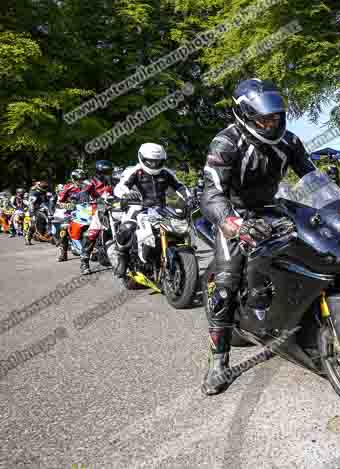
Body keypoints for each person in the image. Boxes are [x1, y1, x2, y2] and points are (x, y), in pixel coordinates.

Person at [200, 78, 316, 396]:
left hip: (272, 207)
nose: (271, 122)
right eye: (265, 118)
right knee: (224, 286)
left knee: (313, 249)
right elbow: (211, 193)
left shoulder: (290, 141)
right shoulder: (226, 143)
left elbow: (313, 177)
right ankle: (218, 363)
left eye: (276, 116)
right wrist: (231, 223)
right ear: (245, 115)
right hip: (234, 213)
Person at [112, 143, 192, 279]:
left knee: (180, 227)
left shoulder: (166, 172)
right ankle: (122, 257)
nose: (154, 164)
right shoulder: (135, 171)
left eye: (157, 161)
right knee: (127, 227)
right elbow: (120, 187)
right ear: (142, 158)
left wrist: (190, 198)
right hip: (138, 207)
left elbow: (180, 187)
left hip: (161, 209)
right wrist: (126, 194)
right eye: (150, 161)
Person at [77, 160, 115, 274]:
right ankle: (84, 262)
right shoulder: (90, 182)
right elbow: (83, 192)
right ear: (99, 172)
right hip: (100, 210)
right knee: (92, 233)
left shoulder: (114, 181)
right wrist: (85, 198)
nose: (108, 174)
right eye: (105, 172)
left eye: (109, 171)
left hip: (116, 208)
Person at [25, 181, 49, 245]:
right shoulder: (34, 193)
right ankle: (28, 238)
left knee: (46, 221)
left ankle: (44, 234)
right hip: (34, 210)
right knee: (33, 224)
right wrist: (32, 214)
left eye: (46, 188)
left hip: (42, 209)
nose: (45, 189)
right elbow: (31, 204)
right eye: (44, 187)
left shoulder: (44, 192)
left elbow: (46, 201)